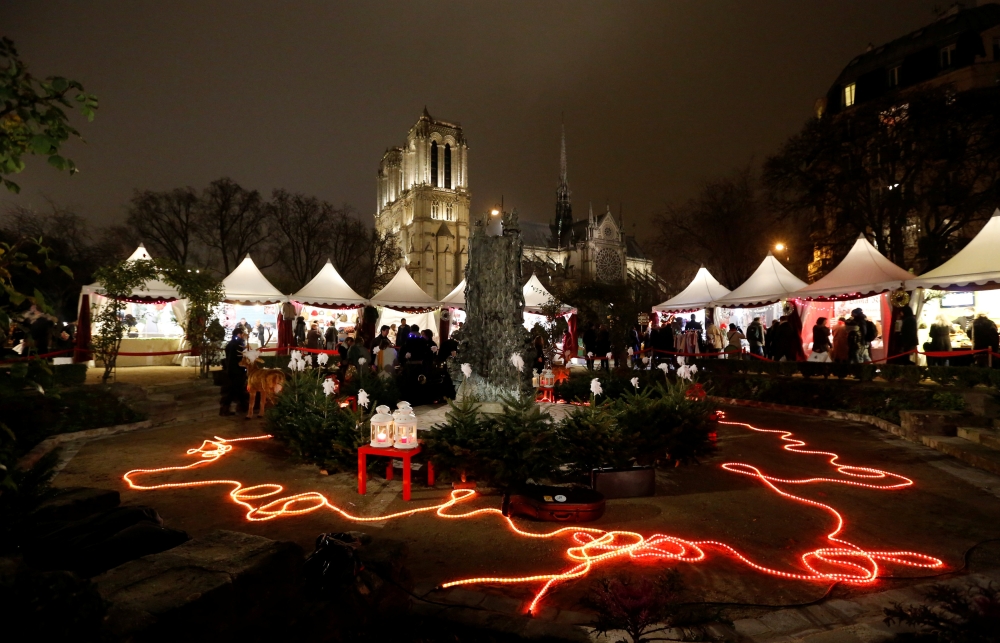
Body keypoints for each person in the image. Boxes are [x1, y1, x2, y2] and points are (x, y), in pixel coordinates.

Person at [220, 328, 248, 416]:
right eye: (242, 334)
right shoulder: (239, 345)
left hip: (231, 370)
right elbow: (240, 358)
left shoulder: (230, 344)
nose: (243, 336)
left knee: (238, 389)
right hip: (237, 370)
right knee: (234, 390)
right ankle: (225, 408)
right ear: (239, 334)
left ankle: (243, 406)